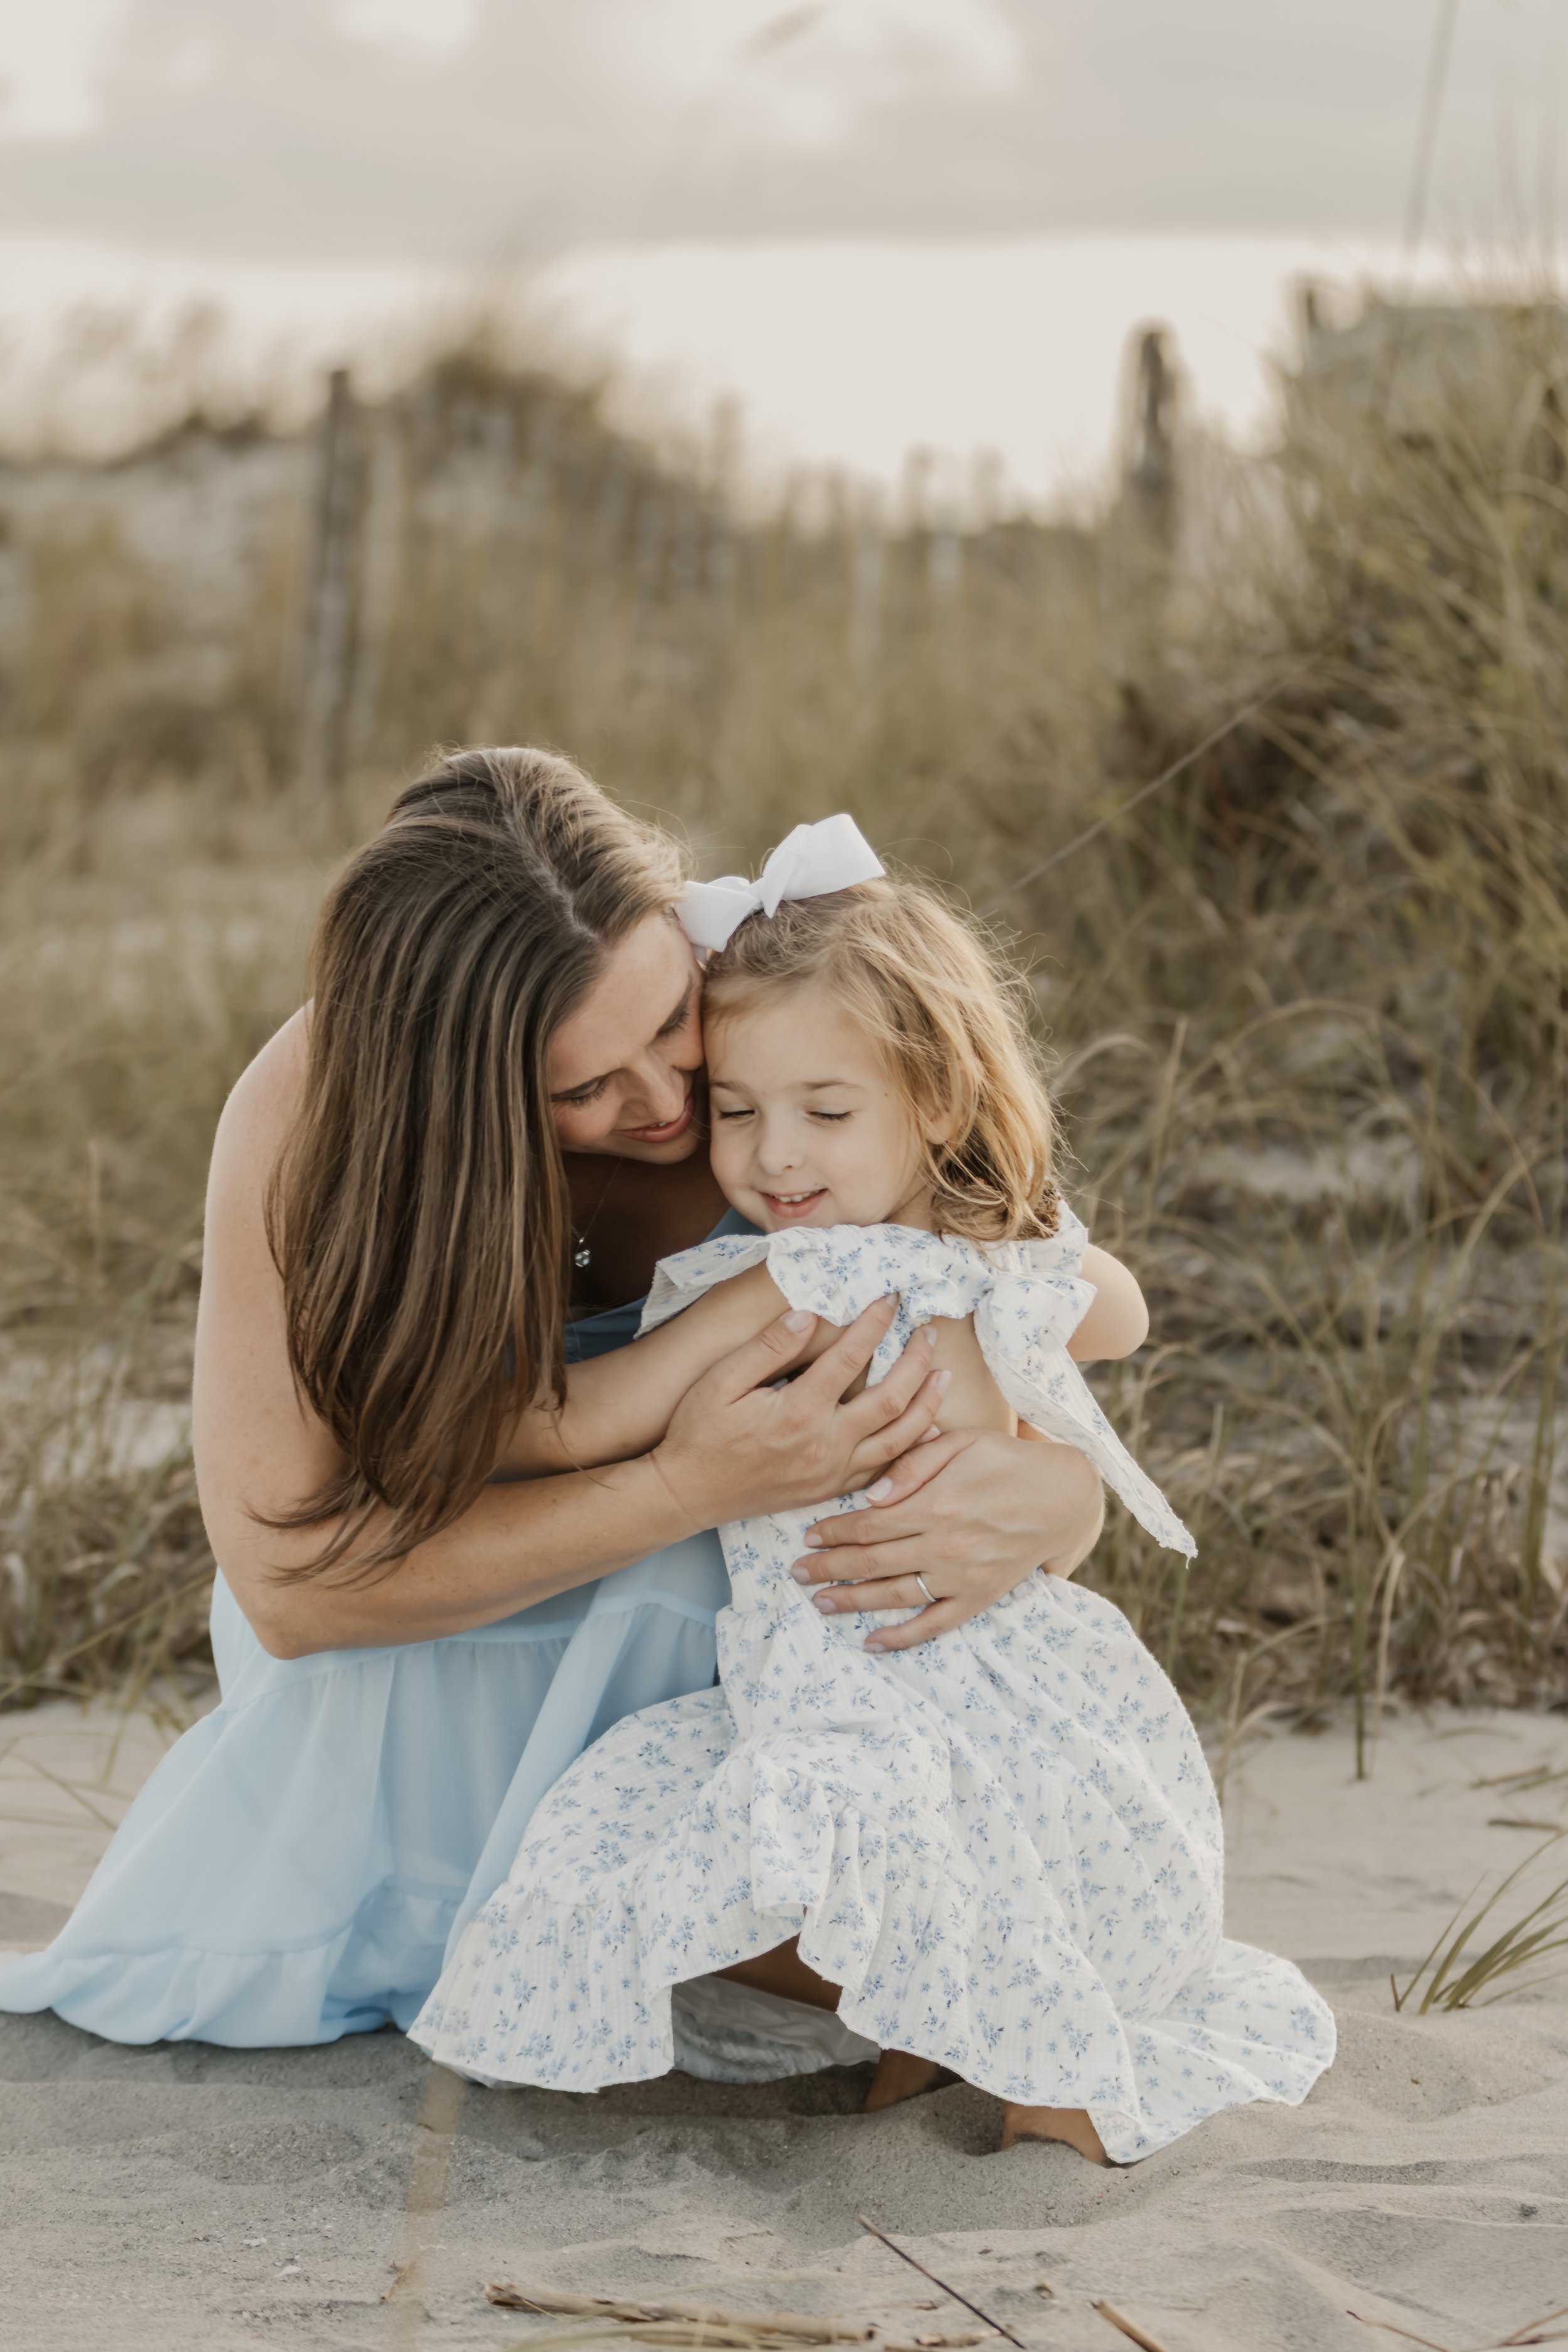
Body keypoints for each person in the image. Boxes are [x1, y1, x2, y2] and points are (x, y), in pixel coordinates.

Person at [0, 753, 1105, 2050]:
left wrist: (1062, 1497)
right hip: (432, 1625)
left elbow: (1038, 1282)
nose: (666, 1104)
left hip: (762, 1609)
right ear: (452, 1091)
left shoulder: (773, 1016)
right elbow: (292, 1587)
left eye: (668, 1023)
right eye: (579, 1087)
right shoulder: (311, 1116)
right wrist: (683, 1486)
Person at [411, 828, 1337, 2163]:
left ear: (941, 1101)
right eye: (737, 1110)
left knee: (918, 1865)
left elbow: (1119, 1315)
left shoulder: (938, 1269)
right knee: (793, 1860)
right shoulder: (788, 1281)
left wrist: (1000, 1263)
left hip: (954, 1671)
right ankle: (946, 2034)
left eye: (826, 1113)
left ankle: (1047, 2088)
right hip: (875, 1685)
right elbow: (571, 1419)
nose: (774, 1160)